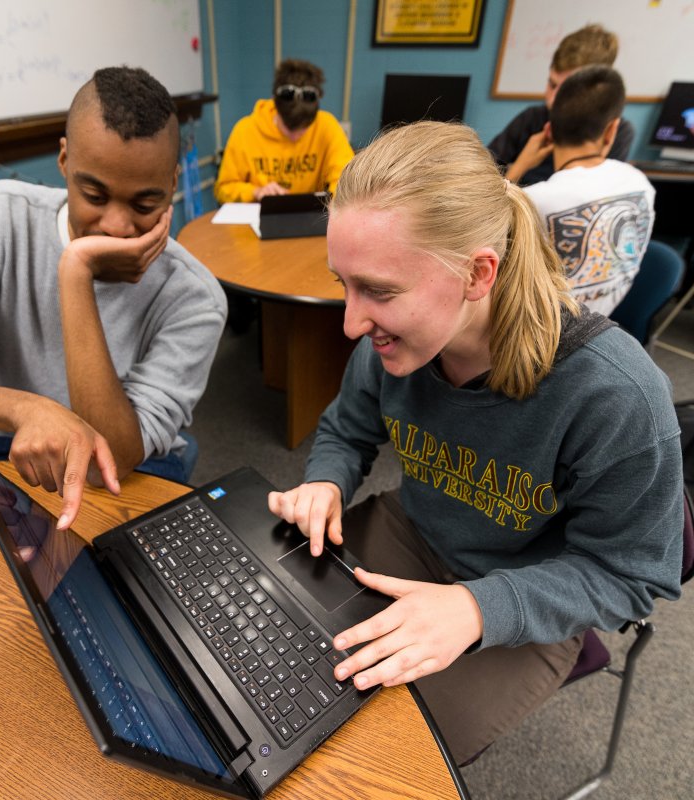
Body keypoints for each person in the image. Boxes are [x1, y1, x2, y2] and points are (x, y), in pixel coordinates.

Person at [267, 121, 683, 765]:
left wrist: (479, 607)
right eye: (342, 284)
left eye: (378, 290)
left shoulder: (616, 394)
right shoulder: (390, 345)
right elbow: (348, 431)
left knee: (375, 762)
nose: (352, 322)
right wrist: (326, 479)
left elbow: (630, 573)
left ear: (477, 273)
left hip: (529, 593)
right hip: (415, 536)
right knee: (272, 655)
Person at [0, 67, 227, 529]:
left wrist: (76, 271)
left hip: (129, 462)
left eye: (145, 204)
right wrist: (26, 408)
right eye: (94, 194)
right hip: (5, 439)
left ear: (173, 183)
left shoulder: (196, 297)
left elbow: (113, 453)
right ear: (64, 161)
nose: (116, 226)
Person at [510, 66, 655, 316]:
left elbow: (475, 228)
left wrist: (519, 167)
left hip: (535, 340)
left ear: (549, 131)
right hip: (599, 330)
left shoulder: (532, 201)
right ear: (612, 130)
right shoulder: (641, 184)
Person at [489, 23, 635, 186]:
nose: (552, 100)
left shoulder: (618, 132)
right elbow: (482, 175)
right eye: (551, 85)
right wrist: (520, 165)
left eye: (565, 91)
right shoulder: (532, 118)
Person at [213, 58, 354, 204]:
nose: (295, 137)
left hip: (310, 218)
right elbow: (223, 189)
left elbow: (347, 181)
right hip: (258, 214)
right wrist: (256, 192)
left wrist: (335, 203)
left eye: (304, 128)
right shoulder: (245, 130)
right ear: (275, 106)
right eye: (288, 128)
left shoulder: (327, 125)